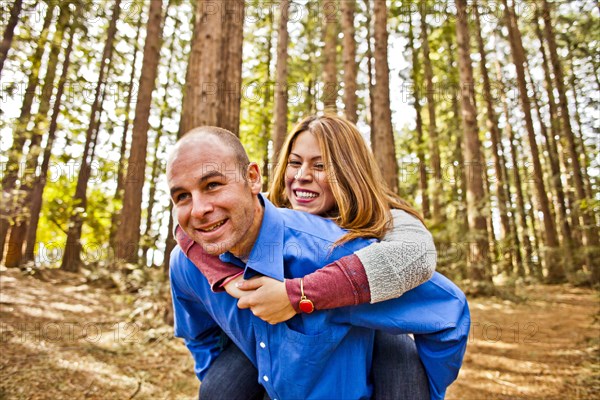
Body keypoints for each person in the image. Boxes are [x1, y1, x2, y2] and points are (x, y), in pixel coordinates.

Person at [168, 126, 470, 400]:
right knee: (220, 389)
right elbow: (193, 230)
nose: (301, 176)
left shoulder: (375, 222)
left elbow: (416, 257)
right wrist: (219, 273)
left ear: (350, 173)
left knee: (400, 365)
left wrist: (298, 293)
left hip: (374, 312)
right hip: (270, 341)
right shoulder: (257, 209)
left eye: (321, 165)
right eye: (294, 163)